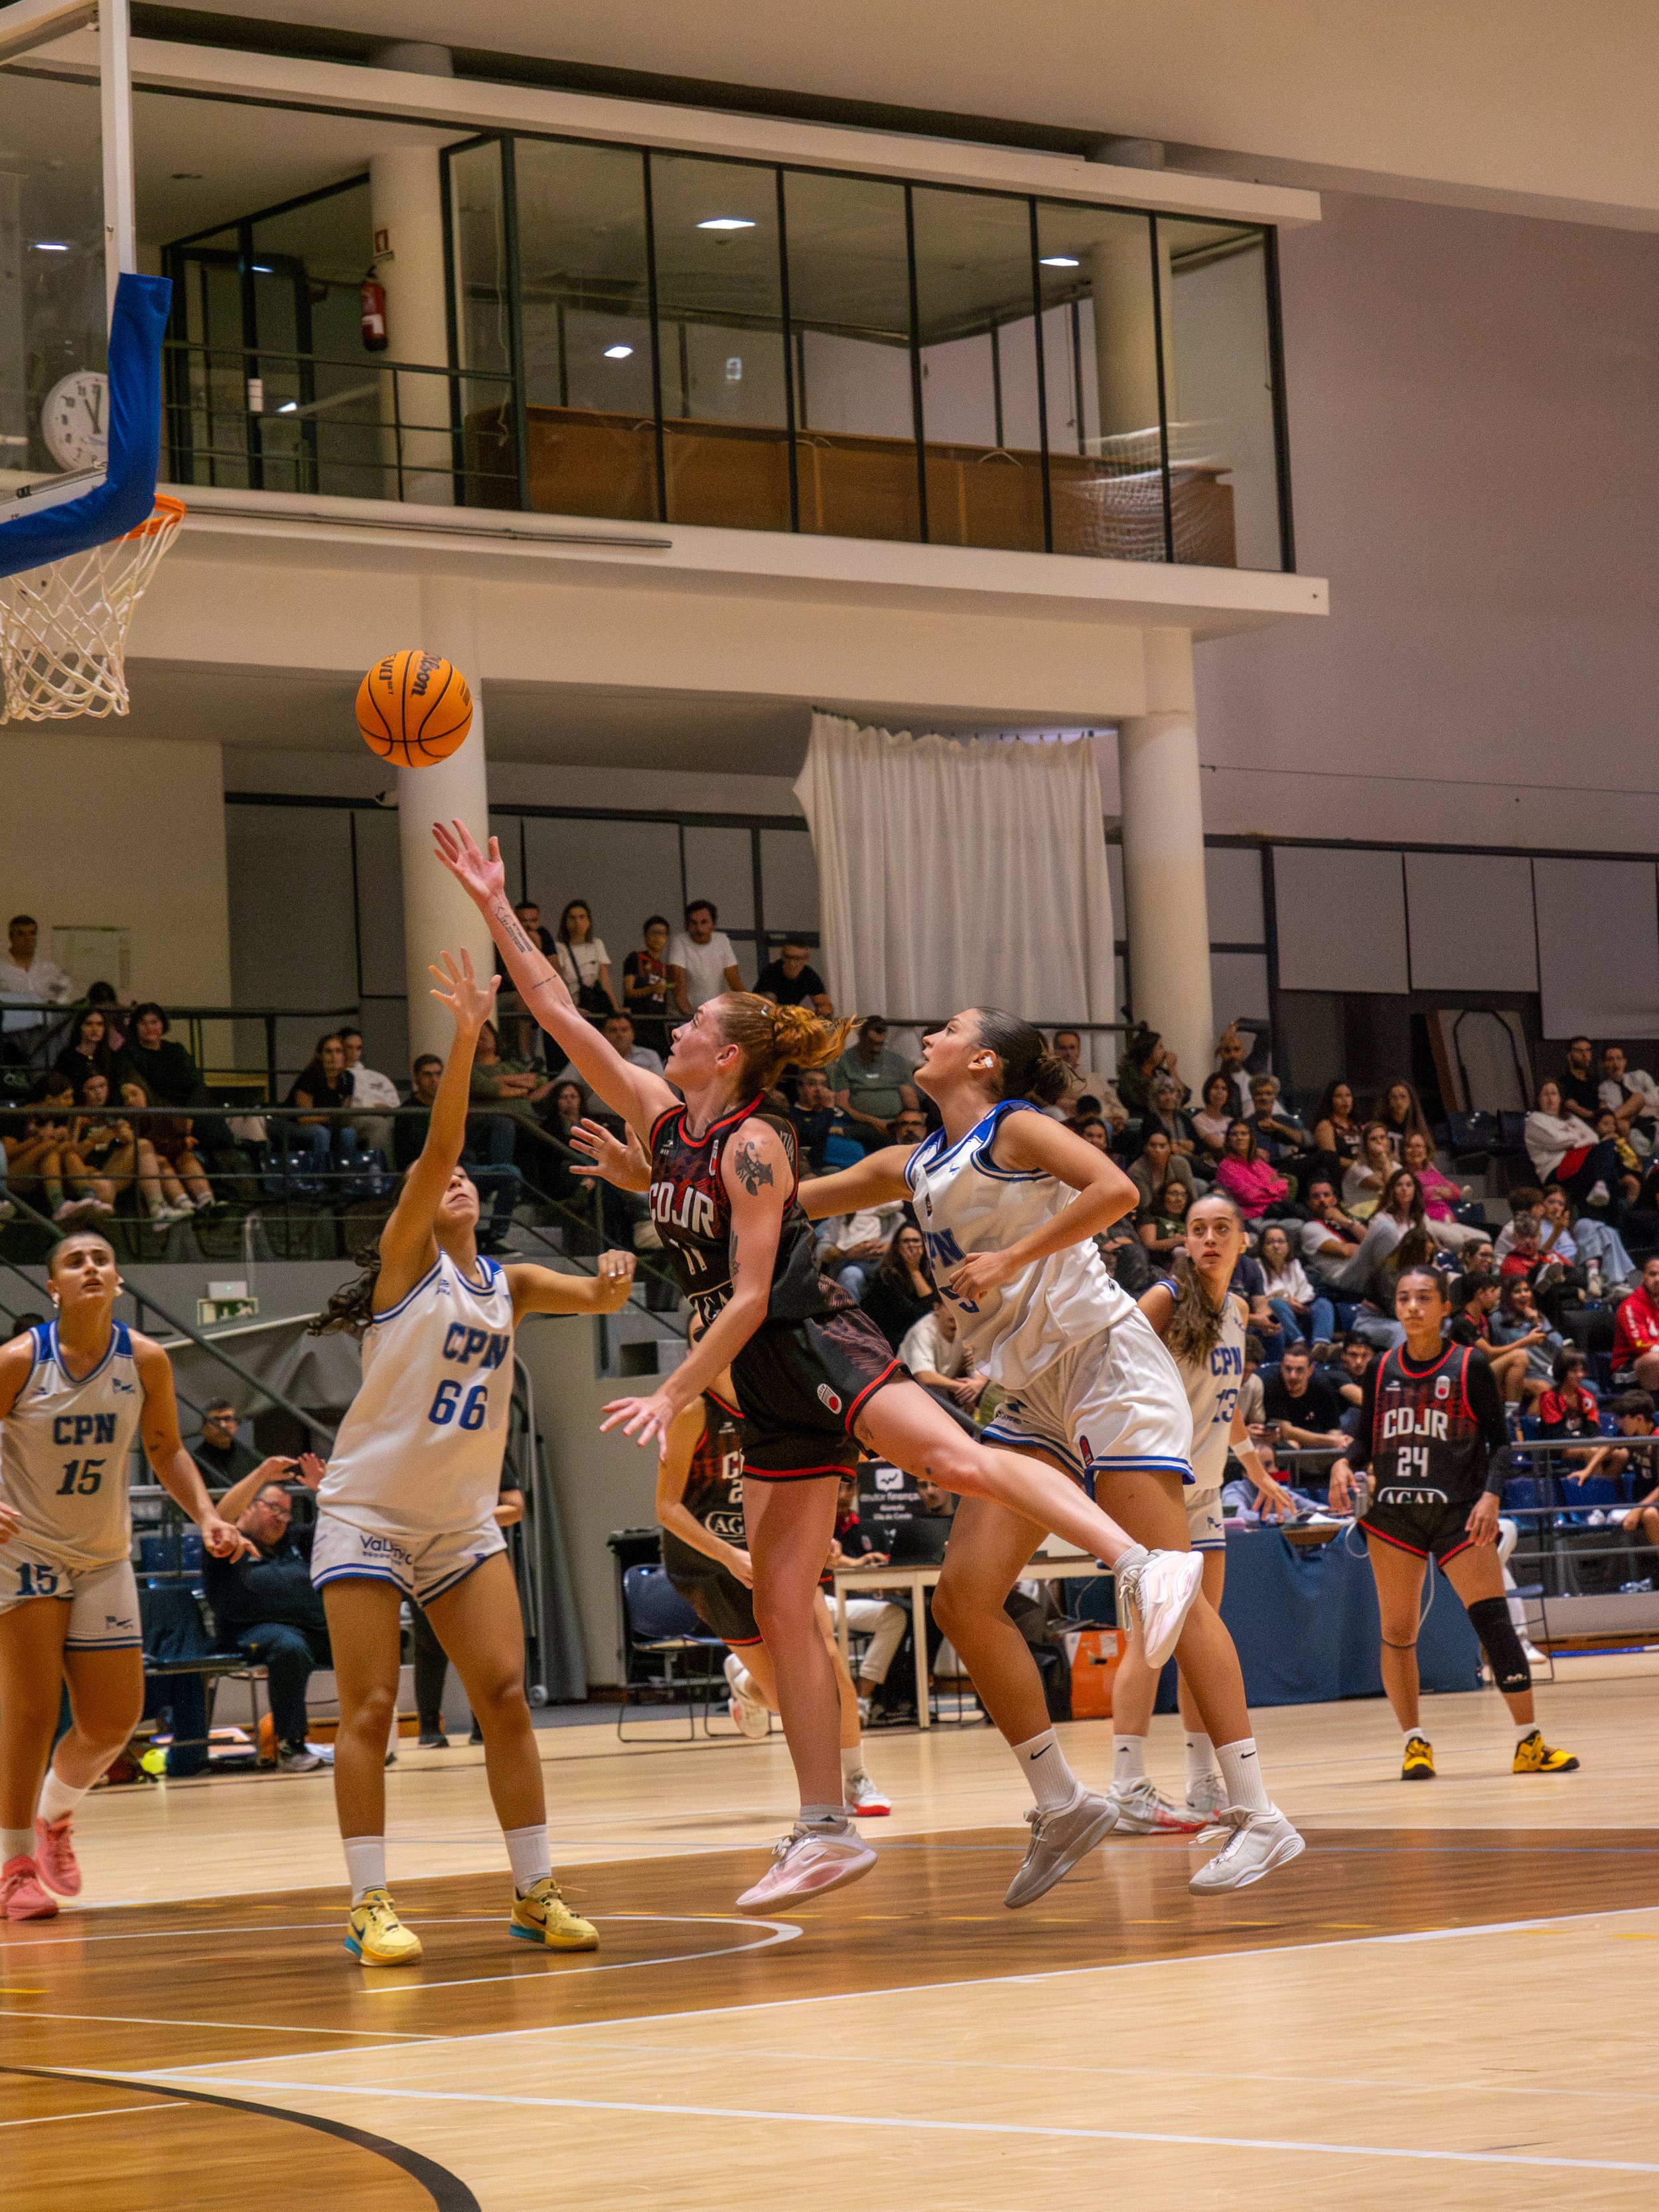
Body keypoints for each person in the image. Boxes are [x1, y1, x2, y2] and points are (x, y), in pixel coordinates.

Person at [442, 817, 1204, 1913]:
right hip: (755, 1380)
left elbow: (753, 1294)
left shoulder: (755, 1143)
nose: (675, 1028)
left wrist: (669, 1386)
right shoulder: (662, 1124)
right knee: (785, 1604)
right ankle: (826, 1825)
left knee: (960, 1463)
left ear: (730, 1053)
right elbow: (559, 1014)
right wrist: (493, 904)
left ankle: (1139, 1561)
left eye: (695, 1021)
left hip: (808, 1339)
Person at [801, 1015, 1299, 1898]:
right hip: (1030, 1392)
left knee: (1167, 1589)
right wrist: (661, 1167)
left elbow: (1115, 1192)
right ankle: (1063, 1800)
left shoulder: (1015, 1126)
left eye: (950, 1027)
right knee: (962, 1598)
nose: (931, 1032)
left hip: (1105, 1359)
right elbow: (796, 1196)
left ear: (984, 1060)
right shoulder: (911, 1165)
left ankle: (1259, 1814)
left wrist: (1011, 1258)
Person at [303, 946, 638, 1969]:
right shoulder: (407, 1267)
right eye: (433, 1177)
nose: (452, 1179)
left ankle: (535, 1890)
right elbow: (443, 1134)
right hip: (366, 1511)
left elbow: (607, 1298)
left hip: (456, 1522)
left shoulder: (513, 1282)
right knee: (369, 1708)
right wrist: (464, 1037)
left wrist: (622, 1257)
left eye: (462, 1180)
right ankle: (368, 1903)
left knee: (502, 1695)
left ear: (482, 1203)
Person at [0, 1229, 250, 1919]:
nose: (91, 1268)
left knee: (114, 1721)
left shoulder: (145, 1360)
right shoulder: (20, 1361)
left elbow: (167, 1448)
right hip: (28, 1551)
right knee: (27, 1712)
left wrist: (207, 1515)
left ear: (116, 1282)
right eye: (75, 1261)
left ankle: (56, 1817)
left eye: (102, 1260)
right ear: (52, 1286)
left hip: (104, 1552)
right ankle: (13, 1864)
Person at [1327, 1266, 1578, 1781]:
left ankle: (1528, 1742)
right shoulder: (1379, 1368)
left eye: (1424, 1298)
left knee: (1493, 1622)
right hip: (1393, 1514)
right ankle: (1414, 1743)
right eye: (1404, 1298)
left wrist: (1491, 1495)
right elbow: (1364, 1443)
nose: (1413, 1306)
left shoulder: (1469, 1366)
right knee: (1397, 1632)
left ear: (1446, 1308)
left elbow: (1503, 1444)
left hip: (1459, 1513)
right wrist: (1343, 1462)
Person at [1108, 1195, 1299, 1832]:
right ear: (1184, 1242)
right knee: (1149, 1639)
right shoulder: (1163, 1298)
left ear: (1243, 1241)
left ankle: (1201, 1784)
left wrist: (1256, 1471)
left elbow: (1225, 1403)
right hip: (1153, 1485)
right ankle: (1128, 1784)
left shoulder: (1239, 1310)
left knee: (1201, 1636)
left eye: (1222, 1229)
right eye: (1198, 1230)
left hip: (1207, 1490)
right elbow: (1107, 1366)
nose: (1210, 1238)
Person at [656, 1366, 889, 1810]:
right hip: (710, 1564)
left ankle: (857, 1778)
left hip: (771, 1550)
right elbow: (666, 1508)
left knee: (829, 1661)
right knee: (790, 1698)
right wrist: (729, 1555)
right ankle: (747, 1686)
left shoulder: (776, 1400)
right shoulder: (693, 1410)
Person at [202, 1467, 332, 1771]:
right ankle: (291, 1745)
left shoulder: (296, 1540)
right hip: (247, 1633)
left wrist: (322, 1493)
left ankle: (368, 1740)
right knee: (290, 1647)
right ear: (249, 1506)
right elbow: (220, 1515)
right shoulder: (226, 1542)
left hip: (310, 1629)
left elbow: (336, 1526)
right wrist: (261, 1473)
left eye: (287, 1513)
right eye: (274, 1508)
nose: (282, 1518)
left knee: (363, 1644)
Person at [411, 1471, 526, 1748]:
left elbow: (515, 1509)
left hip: (478, 1554)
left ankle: (484, 1727)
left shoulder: (485, 1438)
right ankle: (428, 1728)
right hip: (426, 1553)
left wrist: (462, 1520)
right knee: (429, 1646)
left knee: (487, 1648)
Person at [396, 1053, 522, 1252]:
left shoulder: (450, 1104)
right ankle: (494, 1234)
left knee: (503, 1125)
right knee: (510, 1173)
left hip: (462, 1166)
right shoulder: (408, 1112)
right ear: (417, 1078)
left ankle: (495, 1232)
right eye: (427, 1075)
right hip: (435, 1173)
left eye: (438, 1074)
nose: (434, 1080)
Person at [1526, 1079, 1622, 1213]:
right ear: (1538, 1099)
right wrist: (1579, 1139)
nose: (1550, 1098)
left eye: (1554, 1094)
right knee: (1605, 1161)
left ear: (1560, 1098)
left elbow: (1593, 1138)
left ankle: (1605, 1192)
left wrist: (1573, 1142)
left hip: (1580, 1161)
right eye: (1545, 1094)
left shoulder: (1569, 1118)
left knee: (1608, 1146)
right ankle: (1601, 1186)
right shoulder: (1535, 1119)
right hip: (1555, 1171)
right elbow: (1557, 1140)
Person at [830, 1017, 918, 1137]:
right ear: (861, 1038)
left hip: (896, 1124)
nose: (876, 1049)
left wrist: (910, 1122)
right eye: (872, 1043)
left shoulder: (896, 1061)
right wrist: (875, 1122)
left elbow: (909, 1097)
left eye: (880, 1044)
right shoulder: (845, 1062)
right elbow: (842, 1105)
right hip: (861, 1124)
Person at [899, 1298, 987, 1416]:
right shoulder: (922, 1331)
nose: (953, 1313)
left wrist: (977, 1384)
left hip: (936, 1400)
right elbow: (924, 1376)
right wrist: (964, 1388)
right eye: (948, 1307)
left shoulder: (964, 1329)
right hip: (904, 1397)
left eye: (958, 1308)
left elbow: (984, 1360)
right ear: (937, 1307)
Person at [859, 1222, 936, 1352]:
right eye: (906, 1241)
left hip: (913, 1337)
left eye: (916, 1241)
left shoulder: (930, 1272)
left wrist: (915, 1271)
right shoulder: (886, 1276)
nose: (911, 1245)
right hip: (888, 1342)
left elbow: (934, 1308)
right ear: (897, 1247)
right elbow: (919, 1315)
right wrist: (913, 1270)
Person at [1256, 1220, 1332, 1349]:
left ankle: (1320, 1346)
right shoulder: (1256, 1267)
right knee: (1277, 1303)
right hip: (1276, 1320)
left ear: (1288, 1245)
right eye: (1270, 1242)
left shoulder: (1294, 1264)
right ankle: (1298, 1343)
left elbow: (1306, 1293)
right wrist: (1285, 1299)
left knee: (1323, 1303)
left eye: (1281, 1242)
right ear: (1262, 1247)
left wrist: (1298, 1305)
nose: (1276, 1246)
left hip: (1299, 1315)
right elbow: (1260, 1300)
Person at [1260, 1340, 1350, 1449]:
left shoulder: (1321, 1386)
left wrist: (1338, 1442)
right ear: (1281, 1368)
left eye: (1299, 1370)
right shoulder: (1272, 1385)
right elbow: (1287, 1431)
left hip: (1314, 1432)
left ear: (1310, 1371)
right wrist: (1332, 1441)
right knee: (1292, 1444)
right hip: (1281, 1439)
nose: (1292, 1376)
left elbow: (1333, 1427)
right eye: (1288, 1369)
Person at [112, 1003, 202, 1109]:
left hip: (187, 1107)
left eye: (154, 1022)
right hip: (155, 1109)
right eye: (143, 1023)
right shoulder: (129, 1052)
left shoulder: (176, 1049)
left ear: (162, 1025)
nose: (149, 1028)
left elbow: (195, 1081)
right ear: (135, 1027)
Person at [666, 899, 743, 1015]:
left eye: (704, 922)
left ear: (713, 925)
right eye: (694, 923)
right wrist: (694, 1019)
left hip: (716, 1015)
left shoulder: (722, 941)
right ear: (687, 925)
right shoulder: (678, 942)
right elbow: (679, 988)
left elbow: (735, 983)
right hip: (685, 1017)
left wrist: (754, 1007)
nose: (699, 929)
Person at [337, 1026, 400, 1163]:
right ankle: (378, 1170)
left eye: (358, 1048)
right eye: (350, 1048)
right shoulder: (336, 1075)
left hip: (384, 1116)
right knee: (381, 1125)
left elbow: (395, 1104)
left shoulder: (378, 1077)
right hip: (351, 1118)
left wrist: (386, 1108)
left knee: (398, 1123)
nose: (355, 1052)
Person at [0, 915, 74, 1025]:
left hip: (44, 1034)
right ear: (11, 937)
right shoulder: (2, 969)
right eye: (21, 934)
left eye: (32, 933)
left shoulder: (51, 970)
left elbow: (64, 1002)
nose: (28, 938)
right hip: (8, 1034)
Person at [557, 1011, 663, 1085]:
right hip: (597, 1116)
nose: (620, 1035)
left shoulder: (650, 1056)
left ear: (633, 1034)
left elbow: (663, 1088)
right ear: (603, 1034)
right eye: (613, 1030)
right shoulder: (588, 1057)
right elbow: (561, 1084)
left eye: (624, 1030)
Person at [552, 899, 618, 1017]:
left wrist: (616, 1010)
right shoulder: (559, 947)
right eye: (572, 918)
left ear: (588, 922)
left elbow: (605, 979)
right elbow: (559, 979)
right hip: (570, 1004)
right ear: (566, 922)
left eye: (582, 917)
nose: (577, 922)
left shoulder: (597, 944)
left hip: (593, 1002)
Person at [1214, 1120, 1291, 1221]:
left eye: (1244, 1134)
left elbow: (1283, 1186)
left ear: (1251, 1138)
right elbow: (1249, 1197)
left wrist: (1262, 1190)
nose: (1239, 1137)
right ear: (1228, 1140)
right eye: (1234, 1134)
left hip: (1274, 1209)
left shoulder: (1259, 1163)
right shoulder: (1226, 1167)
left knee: (1298, 1219)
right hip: (1251, 1217)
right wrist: (1271, 1190)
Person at [622, 915, 674, 1056]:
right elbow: (629, 991)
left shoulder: (665, 967)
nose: (658, 937)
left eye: (662, 934)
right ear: (645, 936)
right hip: (639, 1021)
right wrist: (653, 989)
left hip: (658, 1023)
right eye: (654, 933)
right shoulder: (636, 958)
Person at [190, 1400, 266, 1490]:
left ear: (235, 1425)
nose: (222, 1426)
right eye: (215, 1420)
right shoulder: (192, 1463)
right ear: (203, 1428)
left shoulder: (251, 1458)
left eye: (227, 1419)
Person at [1613, 1254, 1659, 1393]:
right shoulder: (1630, 1306)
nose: (1657, 1279)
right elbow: (1640, 1345)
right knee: (1654, 1360)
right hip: (1627, 1369)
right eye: (1652, 1274)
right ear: (1643, 1277)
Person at [1128, 1126, 1200, 1213]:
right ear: (1145, 1148)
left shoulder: (1181, 1164)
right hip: (1151, 1216)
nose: (1158, 1150)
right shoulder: (1136, 1171)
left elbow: (1193, 1198)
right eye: (1153, 1146)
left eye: (1162, 1146)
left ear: (1170, 1148)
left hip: (1181, 1213)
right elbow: (1146, 1206)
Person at [755, 938, 833, 1016]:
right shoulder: (771, 972)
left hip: (794, 1017)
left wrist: (812, 1013)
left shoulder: (810, 976)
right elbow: (762, 1005)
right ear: (783, 957)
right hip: (771, 1017)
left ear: (806, 959)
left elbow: (826, 1007)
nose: (793, 964)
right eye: (789, 957)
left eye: (798, 959)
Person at [53, 1007, 118, 1094]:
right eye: (89, 1024)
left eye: (100, 1024)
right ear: (80, 1027)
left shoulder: (111, 1056)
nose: (95, 1029)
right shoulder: (67, 1057)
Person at [1344, 1122, 1396, 1218]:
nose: (1379, 1142)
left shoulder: (1396, 1166)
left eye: (1382, 1137)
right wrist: (1384, 1159)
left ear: (1388, 1142)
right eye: (1373, 1139)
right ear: (1365, 1145)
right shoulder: (1358, 1169)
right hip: (1357, 1217)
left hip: (1380, 1216)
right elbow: (1389, 1188)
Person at [1139, 1174, 1192, 1263]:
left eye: (1183, 1195)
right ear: (1163, 1197)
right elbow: (1149, 1244)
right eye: (1175, 1194)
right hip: (1160, 1262)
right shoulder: (1150, 1216)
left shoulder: (1187, 1221)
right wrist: (1178, 1241)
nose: (1179, 1199)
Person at [1376, 1080, 1434, 1157]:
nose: (1399, 1102)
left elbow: (1428, 1156)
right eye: (1394, 1097)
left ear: (1411, 1100)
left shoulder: (1418, 1127)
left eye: (1403, 1097)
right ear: (1388, 1101)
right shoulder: (1379, 1128)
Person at [1191, 1070, 1238, 1163]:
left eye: (1224, 1089)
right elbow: (1219, 1145)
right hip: (1215, 1166)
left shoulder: (1231, 1121)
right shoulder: (1198, 1120)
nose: (1220, 1092)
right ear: (1207, 1091)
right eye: (1215, 1087)